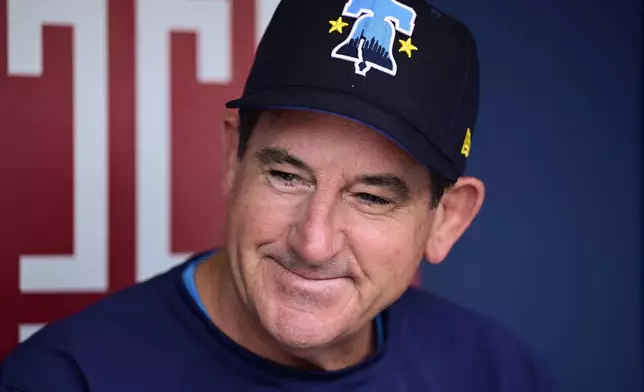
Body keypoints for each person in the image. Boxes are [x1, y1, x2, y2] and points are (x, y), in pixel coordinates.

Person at [1, 0, 554, 390]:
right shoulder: (67, 379)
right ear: (233, 160)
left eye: (372, 197)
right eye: (287, 176)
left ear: (446, 220)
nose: (313, 243)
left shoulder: (496, 374)